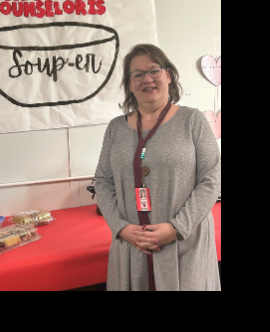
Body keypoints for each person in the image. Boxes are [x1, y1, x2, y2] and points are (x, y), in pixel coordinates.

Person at [93, 44, 221, 291]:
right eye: (137, 74)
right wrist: (121, 228)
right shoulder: (116, 129)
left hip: (185, 244)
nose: (147, 79)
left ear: (168, 75)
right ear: (129, 84)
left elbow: (212, 178)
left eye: (154, 70)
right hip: (132, 244)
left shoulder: (192, 121)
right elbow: (103, 180)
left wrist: (177, 227)